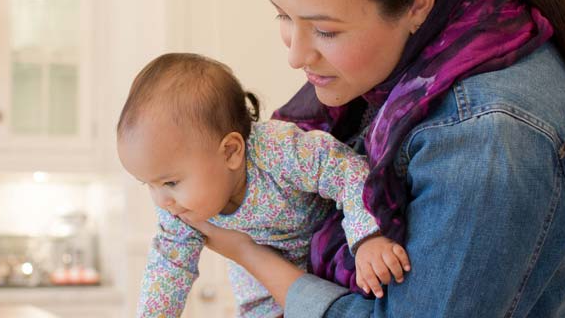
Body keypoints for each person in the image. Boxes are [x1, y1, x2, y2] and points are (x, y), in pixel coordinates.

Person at [181, 0, 565, 316]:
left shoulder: (488, 134)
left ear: (418, 4)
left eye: (325, 29)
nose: (297, 54)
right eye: (283, 15)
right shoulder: (394, 78)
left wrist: (253, 257)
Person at [118, 53, 411, 317]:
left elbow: (345, 169)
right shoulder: (181, 210)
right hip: (265, 307)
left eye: (170, 182)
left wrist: (366, 238)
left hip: (331, 280)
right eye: (150, 185)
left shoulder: (277, 150)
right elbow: (168, 268)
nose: (161, 200)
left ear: (230, 151)